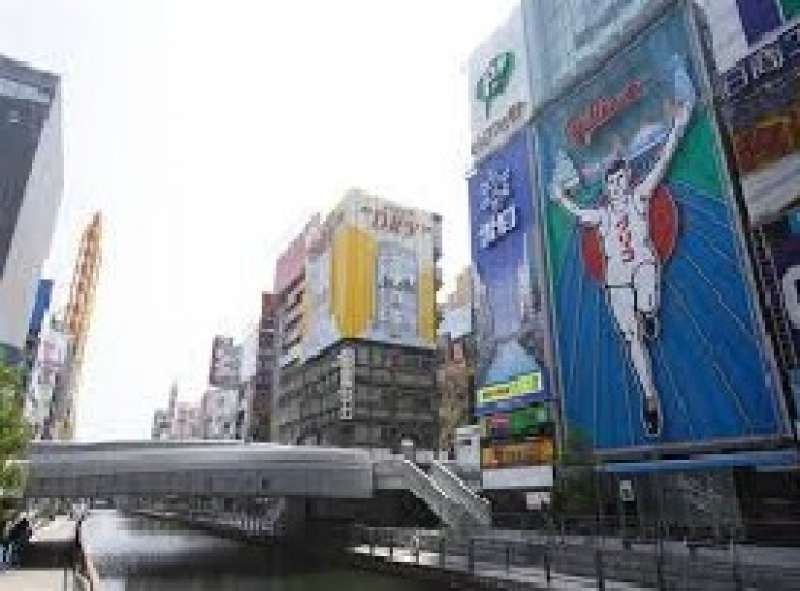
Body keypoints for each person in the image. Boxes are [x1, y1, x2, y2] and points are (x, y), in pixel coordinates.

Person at [551, 97, 693, 438]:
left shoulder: (640, 196)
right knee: (633, 339)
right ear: (607, 186)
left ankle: (648, 312)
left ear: (626, 180)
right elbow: (582, 215)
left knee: (647, 297)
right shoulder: (602, 214)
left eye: (619, 182)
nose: (615, 188)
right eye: (611, 184)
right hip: (617, 281)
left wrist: (679, 125)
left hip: (643, 264)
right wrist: (560, 198)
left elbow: (662, 162)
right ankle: (650, 398)